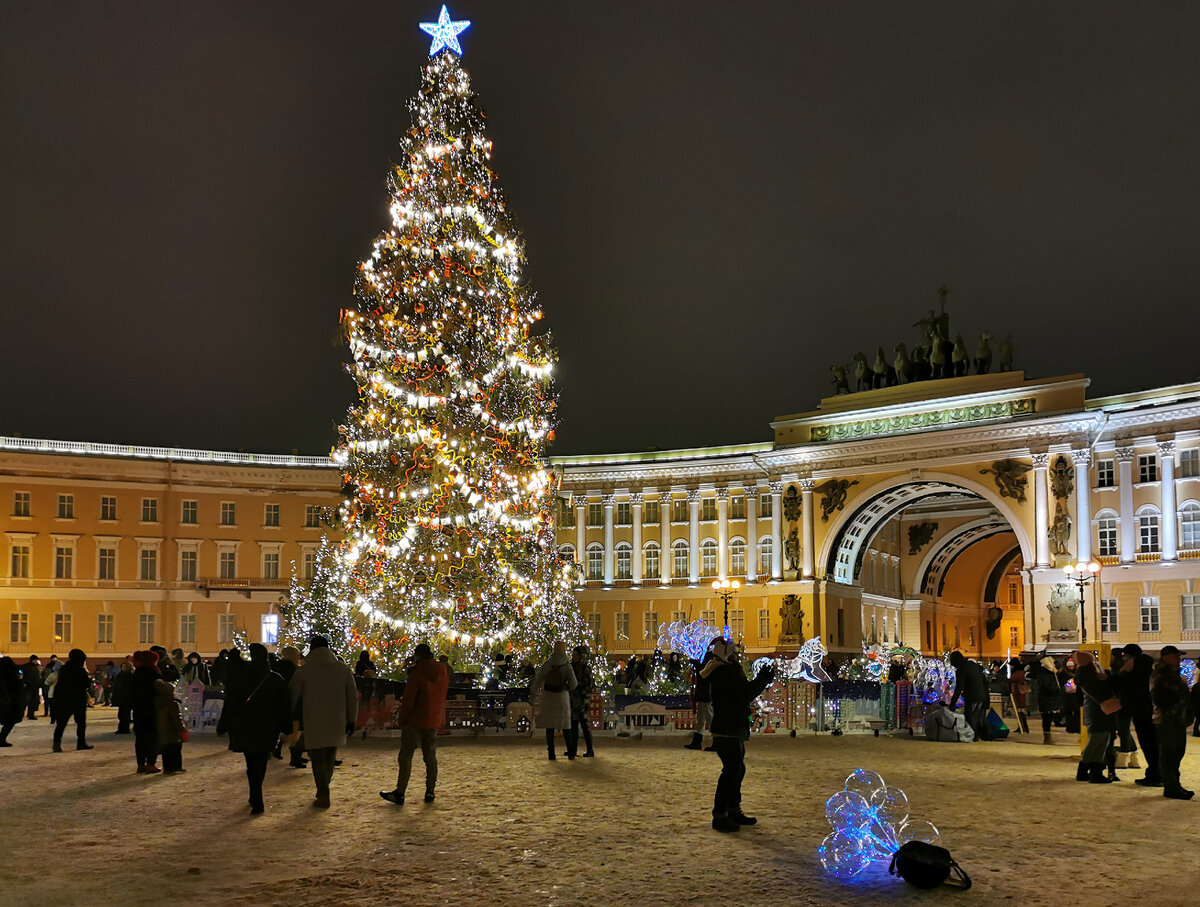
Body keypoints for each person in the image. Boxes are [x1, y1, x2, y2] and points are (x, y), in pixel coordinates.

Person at [705, 638, 776, 833]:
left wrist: (761, 679)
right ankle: (720, 815)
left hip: (731, 726)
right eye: (733, 651)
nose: (736, 653)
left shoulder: (725, 669)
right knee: (731, 771)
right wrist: (762, 679)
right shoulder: (723, 672)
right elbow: (743, 693)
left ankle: (732, 810)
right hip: (727, 727)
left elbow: (742, 692)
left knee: (737, 769)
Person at [288, 635, 357, 809]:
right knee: (329, 757)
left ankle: (323, 792)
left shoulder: (303, 671)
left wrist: (290, 717)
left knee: (317, 758)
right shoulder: (343, 669)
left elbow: (292, 696)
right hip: (337, 719)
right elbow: (352, 697)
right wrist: (351, 719)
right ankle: (324, 786)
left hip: (314, 719)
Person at [221, 644, 292, 813]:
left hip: (246, 725)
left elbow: (231, 703)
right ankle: (256, 793)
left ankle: (256, 795)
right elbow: (284, 705)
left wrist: (224, 724)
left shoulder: (242, 677)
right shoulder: (275, 679)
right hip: (268, 726)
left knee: (251, 761)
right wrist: (286, 725)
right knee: (261, 760)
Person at [380, 642, 450, 805]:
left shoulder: (417, 673)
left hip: (415, 720)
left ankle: (400, 792)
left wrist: (401, 719)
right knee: (430, 757)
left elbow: (409, 700)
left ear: (417, 656)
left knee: (405, 756)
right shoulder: (443, 672)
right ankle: (430, 791)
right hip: (433, 719)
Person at [1151, 645, 1193, 800]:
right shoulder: (1160, 674)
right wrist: (1174, 711)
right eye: (1176, 656)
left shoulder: (1174, 674)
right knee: (1169, 755)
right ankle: (1171, 787)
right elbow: (1160, 699)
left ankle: (1175, 785)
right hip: (1167, 721)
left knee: (1177, 754)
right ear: (1166, 657)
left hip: (1177, 720)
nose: (1179, 659)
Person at [1117, 643, 1161, 788]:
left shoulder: (1136, 668)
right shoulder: (1147, 667)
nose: (1123, 659)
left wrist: (1123, 672)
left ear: (1130, 656)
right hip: (1146, 710)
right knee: (1152, 743)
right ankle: (1155, 773)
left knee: (1149, 743)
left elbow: (1123, 684)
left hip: (1142, 710)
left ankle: (1155, 775)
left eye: (1125, 656)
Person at [1072, 650, 1117, 784]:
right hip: (1097, 712)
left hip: (1097, 712)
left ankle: (1093, 771)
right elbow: (1101, 692)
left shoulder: (1087, 675)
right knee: (1097, 741)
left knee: (1102, 740)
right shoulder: (1089, 677)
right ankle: (1089, 771)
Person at [531, 641, 577, 761]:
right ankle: (571, 752)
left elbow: (538, 680)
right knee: (566, 726)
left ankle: (551, 752)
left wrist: (533, 693)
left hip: (548, 697)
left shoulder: (547, 664)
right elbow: (573, 684)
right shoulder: (567, 665)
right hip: (562, 697)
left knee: (549, 727)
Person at [52, 649, 93, 753]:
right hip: (78, 699)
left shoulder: (64, 669)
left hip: (65, 699)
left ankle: (56, 743)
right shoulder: (80, 670)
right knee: (81, 722)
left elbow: (60, 684)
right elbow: (87, 684)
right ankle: (81, 742)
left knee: (61, 723)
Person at [274, 646, 306, 766]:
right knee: (295, 730)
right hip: (294, 703)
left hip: (279, 703)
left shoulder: (276, 667)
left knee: (287, 729)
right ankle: (294, 757)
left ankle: (278, 747)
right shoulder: (295, 670)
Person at [131, 651, 162, 773]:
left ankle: (141, 764)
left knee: (140, 738)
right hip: (151, 708)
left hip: (139, 710)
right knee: (152, 737)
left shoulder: (138, 672)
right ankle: (150, 763)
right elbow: (160, 687)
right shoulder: (152, 672)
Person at [948, 651, 989, 741]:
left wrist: (953, 703)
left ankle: (972, 735)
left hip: (972, 695)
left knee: (970, 716)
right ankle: (977, 735)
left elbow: (959, 687)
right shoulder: (972, 665)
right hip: (982, 695)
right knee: (977, 716)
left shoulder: (961, 669)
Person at [685, 640, 717, 751]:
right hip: (703, 691)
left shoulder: (709, 658)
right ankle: (697, 742)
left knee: (708, 717)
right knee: (701, 718)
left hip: (706, 692)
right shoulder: (708, 657)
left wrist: (696, 663)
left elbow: (704, 673)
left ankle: (716, 741)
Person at [565, 645, 595, 759]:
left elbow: (589, 685)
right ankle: (572, 749)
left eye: (576, 655)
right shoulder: (571, 667)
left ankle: (590, 750)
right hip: (572, 700)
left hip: (582, 701)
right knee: (573, 725)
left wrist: (577, 687)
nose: (574, 657)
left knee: (584, 725)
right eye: (573, 655)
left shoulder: (585, 669)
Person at [1032, 656, 1064, 744]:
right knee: (1047, 718)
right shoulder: (1047, 674)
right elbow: (1046, 687)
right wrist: (1059, 690)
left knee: (1048, 718)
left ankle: (1048, 737)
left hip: (1048, 700)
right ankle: (1047, 738)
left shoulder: (1047, 673)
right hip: (1047, 700)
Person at [0, 656, 25, 746]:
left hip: (5, 700)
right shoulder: (11, 675)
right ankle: (2, 738)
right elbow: (18, 687)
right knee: (10, 721)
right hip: (10, 702)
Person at [112, 660, 134, 734]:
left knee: (125, 714)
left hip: (126, 697)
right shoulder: (120, 675)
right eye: (122, 666)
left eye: (124, 666)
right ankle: (121, 728)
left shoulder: (129, 676)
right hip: (121, 697)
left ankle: (125, 728)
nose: (123, 668)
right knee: (121, 714)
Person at [21, 656, 42, 720]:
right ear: (33, 660)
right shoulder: (31, 667)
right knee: (30, 701)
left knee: (28, 701)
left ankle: (27, 714)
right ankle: (29, 714)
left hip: (30, 687)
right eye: (36, 660)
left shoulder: (30, 667)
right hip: (30, 687)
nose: (37, 661)